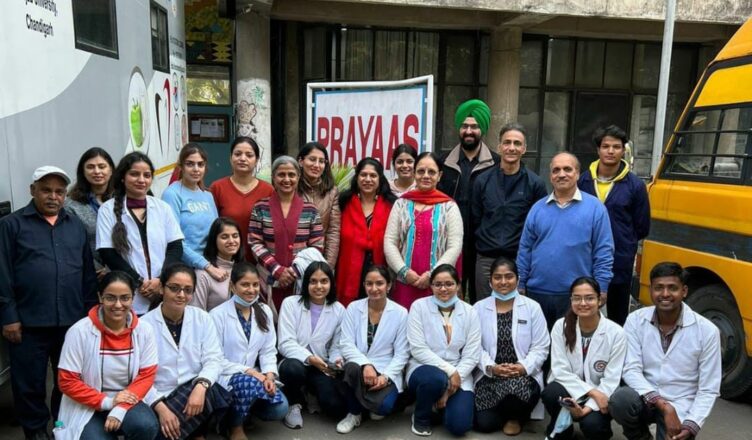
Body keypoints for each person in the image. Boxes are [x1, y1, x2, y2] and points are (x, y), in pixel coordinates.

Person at [0, 166, 98, 440]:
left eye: (59, 191)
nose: (53, 197)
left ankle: (61, 428)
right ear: (32, 191)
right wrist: (9, 317)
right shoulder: (11, 225)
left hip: (72, 321)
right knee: (28, 384)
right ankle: (35, 432)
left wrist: (90, 316)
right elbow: (2, 274)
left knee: (68, 380)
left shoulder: (75, 226)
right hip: (28, 322)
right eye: (46, 190)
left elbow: (87, 274)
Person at [610, 262, 721, 440]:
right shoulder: (635, 320)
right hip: (645, 398)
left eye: (672, 288)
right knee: (621, 400)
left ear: (684, 291)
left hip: (682, 405)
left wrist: (692, 424)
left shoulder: (707, 331)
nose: (665, 294)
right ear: (650, 290)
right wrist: (663, 404)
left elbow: (709, 388)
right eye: (658, 288)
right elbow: (630, 369)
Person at [56, 271, 159, 440]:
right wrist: (107, 402)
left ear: (133, 298)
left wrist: (120, 408)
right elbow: (67, 381)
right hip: (87, 404)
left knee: (145, 426)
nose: (118, 305)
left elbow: (146, 375)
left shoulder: (144, 330)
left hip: (128, 399)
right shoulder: (79, 331)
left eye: (125, 298)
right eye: (110, 298)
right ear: (100, 297)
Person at [516, 152, 614, 329]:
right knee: (538, 345)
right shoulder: (537, 209)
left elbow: (604, 252)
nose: (561, 174)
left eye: (567, 169)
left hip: (577, 296)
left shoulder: (595, 209)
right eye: (556, 170)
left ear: (577, 173)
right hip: (537, 293)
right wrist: (520, 283)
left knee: (571, 343)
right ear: (550, 176)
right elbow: (525, 250)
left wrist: (602, 287)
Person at [141, 263, 228, 440]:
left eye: (188, 290)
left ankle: (195, 432)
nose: (181, 295)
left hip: (193, 388)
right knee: (158, 431)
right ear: (161, 288)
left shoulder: (202, 318)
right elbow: (138, 375)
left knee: (211, 389)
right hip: (159, 394)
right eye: (174, 288)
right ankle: (194, 433)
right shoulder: (144, 326)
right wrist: (160, 407)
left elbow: (214, 358)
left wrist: (201, 386)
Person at [578, 125, 650, 326]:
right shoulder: (583, 181)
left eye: (616, 147)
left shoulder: (635, 186)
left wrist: (623, 242)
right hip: (584, 258)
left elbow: (642, 226)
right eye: (606, 146)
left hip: (620, 261)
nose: (610, 151)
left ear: (623, 150)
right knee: (583, 311)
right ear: (598, 150)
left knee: (618, 317)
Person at [97, 152, 184, 316]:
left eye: (147, 175)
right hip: (128, 293)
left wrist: (161, 280)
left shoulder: (162, 208)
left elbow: (175, 247)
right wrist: (138, 282)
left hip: (161, 291)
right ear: (122, 178)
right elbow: (108, 253)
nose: (141, 180)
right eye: (134, 174)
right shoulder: (107, 210)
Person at [210, 263, 288, 440]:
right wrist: (251, 372)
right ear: (232, 286)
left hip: (255, 377)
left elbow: (268, 350)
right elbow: (215, 359)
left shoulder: (264, 311)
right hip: (226, 375)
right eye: (245, 284)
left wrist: (269, 376)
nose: (251, 290)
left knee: (280, 408)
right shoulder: (217, 315)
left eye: (255, 285)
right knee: (249, 384)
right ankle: (234, 427)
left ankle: (241, 412)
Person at [542, 277, 626, 440]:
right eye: (577, 298)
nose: (583, 303)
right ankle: (562, 428)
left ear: (600, 300)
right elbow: (560, 370)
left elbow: (612, 379)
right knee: (551, 392)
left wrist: (584, 410)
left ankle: (593, 425)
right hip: (571, 389)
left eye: (589, 298)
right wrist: (592, 392)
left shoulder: (616, 333)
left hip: (601, 393)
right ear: (571, 300)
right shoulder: (561, 326)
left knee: (593, 426)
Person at [472, 257, 549, 435]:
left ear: (518, 279)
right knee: (484, 424)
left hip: (522, 374)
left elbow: (541, 346)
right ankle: (509, 414)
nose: (503, 282)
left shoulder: (532, 307)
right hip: (491, 374)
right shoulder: (478, 308)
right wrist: (492, 367)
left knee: (516, 394)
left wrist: (522, 367)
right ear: (490, 281)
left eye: (509, 276)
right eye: (497, 277)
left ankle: (515, 417)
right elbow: (474, 347)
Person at [471, 123, 547, 299]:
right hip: (486, 259)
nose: (511, 148)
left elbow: (539, 226)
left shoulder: (535, 184)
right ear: (499, 147)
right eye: (507, 142)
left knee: (518, 310)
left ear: (524, 148)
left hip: (519, 260)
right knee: (485, 309)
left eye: (517, 143)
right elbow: (475, 220)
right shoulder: (482, 181)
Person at [406, 264, 481, 437]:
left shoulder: (470, 312)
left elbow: (472, 354)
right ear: (431, 286)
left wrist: (454, 380)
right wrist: (450, 372)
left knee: (459, 426)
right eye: (438, 284)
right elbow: (418, 349)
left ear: (458, 285)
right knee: (435, 379)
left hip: (459, 371)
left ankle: (438, 407)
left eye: (449, 284)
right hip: (424, 367)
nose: (443, 289)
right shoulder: (419, 307)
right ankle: (421, 417)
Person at [437, 99, 500, 303]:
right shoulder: (443, 162)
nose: (469, 131)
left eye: (474, 126)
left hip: (483, 243)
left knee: (482, 298)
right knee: (448, 295)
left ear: (483, 129)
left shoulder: (496, 163)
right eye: (465, 126)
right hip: (449, 240)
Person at [384, 152, 463, 309]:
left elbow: (455, 246)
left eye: (431, 172)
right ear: (414, 173)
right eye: (421, 171)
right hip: (405, 283)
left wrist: (432, 275)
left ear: (439, 176)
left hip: (438, 285)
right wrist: (404, 272)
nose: (426, 176)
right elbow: (389, 242)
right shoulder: (401, 204)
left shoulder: (449, 206)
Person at [337, 265, 409, 434]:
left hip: (385, 368)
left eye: (379, 283)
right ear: (364, 285)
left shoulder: (400, 313)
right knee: (351, 368)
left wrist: (385, 377)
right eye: (369, 283)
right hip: (358, 367)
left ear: (389, 285)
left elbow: (402, 353)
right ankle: (354, 413)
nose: (374, 288)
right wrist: (366, 364)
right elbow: (346, 343)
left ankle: (366, 403)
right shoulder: (353, 308)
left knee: (383, 408)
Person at [277, 262, 347, 429]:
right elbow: (285, 343)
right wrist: (309, 358)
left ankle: (310, 391)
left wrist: (336, 360)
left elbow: (337, 345)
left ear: (331, 283)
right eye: (313, 281)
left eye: (324, 281)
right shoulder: (290, 303)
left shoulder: (338, 309)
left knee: (336, 407)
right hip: (293, 362)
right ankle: (293, 402)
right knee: (293, 370)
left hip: (321, 365)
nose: (319, 286)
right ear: (305, 283)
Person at [249, 156, 324, 311]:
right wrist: (277, 270)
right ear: (273, 177)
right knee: (267, 320)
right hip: (267, 280)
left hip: (300, 280)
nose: (287, 179)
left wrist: (294, 271)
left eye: (291, 175)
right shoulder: (261, 207)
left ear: (298, 177)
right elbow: (255, 242)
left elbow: (317, 246)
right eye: (281, 175)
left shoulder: (310, 210)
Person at [336, 158, 396, 306]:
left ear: (380, 179)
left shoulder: (392, 204)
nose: (368, 179)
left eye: (373, 175)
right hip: (348, 270)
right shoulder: (343, 202)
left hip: (381, 268)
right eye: (363, 175)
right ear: (357, 177)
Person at [210, 137, 274, 262]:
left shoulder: (268, 191)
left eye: (249, 155)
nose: (243, 158)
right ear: (230, 158)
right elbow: (212, 228)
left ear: (257, 160)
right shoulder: (217, 188)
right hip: (226, 261)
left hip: (260, 261)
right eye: (238, 154)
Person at [162, 143, 220, 277]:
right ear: (181, 166)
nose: (196, 169)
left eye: (200, 164)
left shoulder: (208, 195)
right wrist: (206, 266)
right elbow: (174, 241)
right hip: (184, 268)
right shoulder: (172, 194)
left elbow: (217, 231)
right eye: (190, 164)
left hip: (210, 264)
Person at [65, 147, 116, 277]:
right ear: (82, 171)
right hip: (92, 274)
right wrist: (98, 269)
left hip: (126, 272)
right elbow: (73, 244)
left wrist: (115, 267)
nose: (97, 171)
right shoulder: (70, 205)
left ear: (111, 170)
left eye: (102, 166)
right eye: (90, 167)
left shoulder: (123, 199)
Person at [297, 142, 341, 268]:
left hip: (320, 259)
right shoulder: (291, 188)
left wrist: (327, 266)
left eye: (321, 161)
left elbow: (333, 232)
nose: (317, 165)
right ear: (301, 161)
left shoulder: (332, 192)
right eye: (312, 159)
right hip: (293, 259)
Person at [191, 217, 243, 311]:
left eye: (235, 236)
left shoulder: (244, 268)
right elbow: (197, 314)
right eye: (224, 237)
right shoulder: (203, 274)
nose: (231, 241)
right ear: (214, 240)